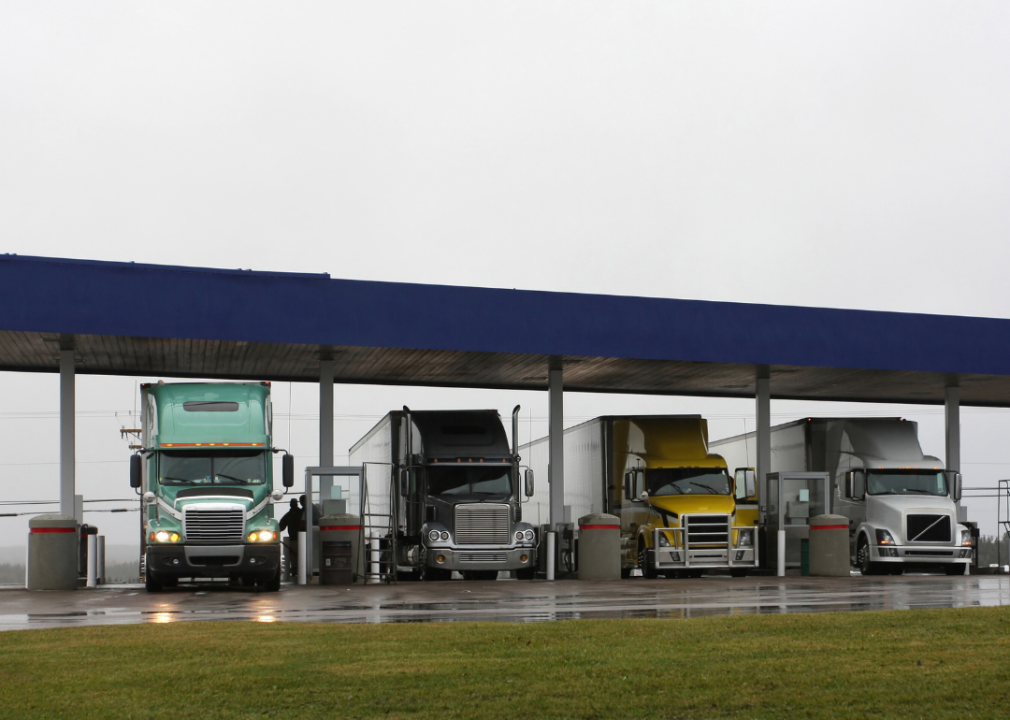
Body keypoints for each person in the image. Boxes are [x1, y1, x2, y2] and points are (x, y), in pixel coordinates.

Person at [278, 498, 303, 579]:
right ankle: (300, 570)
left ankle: (295, 571)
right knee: (300, 556)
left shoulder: (289, 515)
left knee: (294, 556)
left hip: (294, 539)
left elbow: (280, 526)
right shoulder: (302, 513)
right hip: (302, 538)